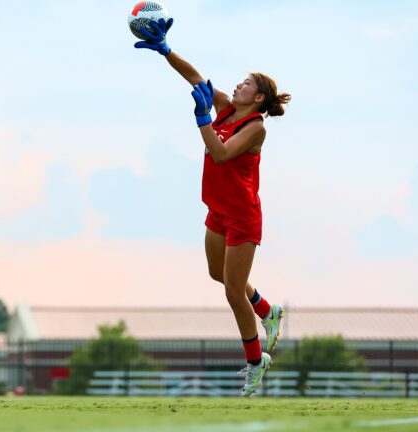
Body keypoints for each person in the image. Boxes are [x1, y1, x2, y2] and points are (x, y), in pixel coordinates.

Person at [135, 18, 291, 396]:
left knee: (232, 292)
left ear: (257, 99)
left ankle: (256, 362)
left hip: (242, 216)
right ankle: (268, 311)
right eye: (240, 81)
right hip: (218, 209)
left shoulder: (256, 127)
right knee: (217, 275)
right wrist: (166, 49)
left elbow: (220, 154)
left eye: (247, 83)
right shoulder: (224, 106)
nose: (238, 84)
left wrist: (201, 119)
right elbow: (194, 77)